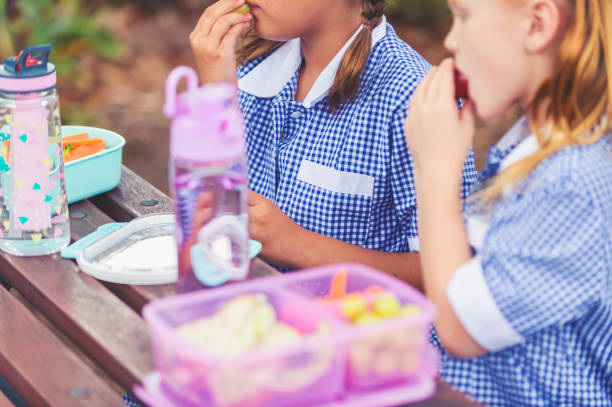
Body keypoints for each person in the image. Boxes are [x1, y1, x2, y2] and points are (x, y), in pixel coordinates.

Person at [404, 0, 612, 405]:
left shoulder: (570, 184)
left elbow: (461, 330)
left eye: (463, 17)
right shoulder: (531, 150)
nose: (450, 39)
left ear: (536, 25)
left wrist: (436, 169)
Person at [189, 0, 478, 286]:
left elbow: (456, 274)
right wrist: (215, 94)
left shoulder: (412, 98)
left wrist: (297, 244)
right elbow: (208, 211)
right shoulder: (248, 67)